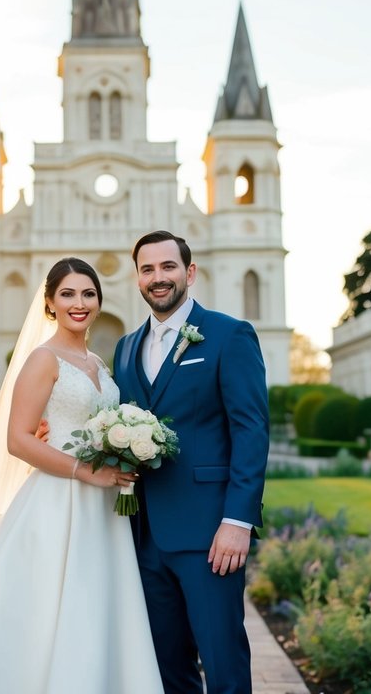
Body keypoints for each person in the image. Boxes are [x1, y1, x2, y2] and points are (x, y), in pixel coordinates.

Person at [0, 257, 164, 693]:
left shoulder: (99, 364)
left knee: (97, 605)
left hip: (104, 508)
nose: (79, 303)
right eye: (68, 294)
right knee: (43, 612)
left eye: (88, 294)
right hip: (58, 501)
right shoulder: (43, 359)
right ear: (50, 303)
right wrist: (84, 472)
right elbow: (19, 440)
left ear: (99, 302)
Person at [113, 231, 270, 694]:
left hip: (210, 533)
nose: (158, 278)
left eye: (167, 267)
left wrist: (238, 519)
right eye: (147, 269)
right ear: (138, 278)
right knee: (168, 667)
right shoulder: (125, 347)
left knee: (222, 662)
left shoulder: (228, 334)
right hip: (143, 534)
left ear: (190, 272)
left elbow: (251, 430)